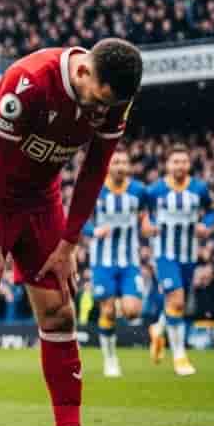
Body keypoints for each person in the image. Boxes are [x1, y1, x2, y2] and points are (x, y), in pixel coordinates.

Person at [0, 39, 143, 426]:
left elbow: (95, 168)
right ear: (84, 73)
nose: (99, 113)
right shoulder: (29, 81)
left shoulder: (116, 101)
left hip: (39, 199)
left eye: (108, 108)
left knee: (59, 314)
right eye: (97, 101)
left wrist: (70, 242)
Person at [142, 143, 214, 376]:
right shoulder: (155, 191)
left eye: (183, 161)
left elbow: (213, 210)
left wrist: (206, 225)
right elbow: (144, 215)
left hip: (188, 254)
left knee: (177, 303)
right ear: (167, 164)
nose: (180, 165)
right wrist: (146, 226)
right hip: (164, 255)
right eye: (175, 161)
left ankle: (158, 328)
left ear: (189, 164)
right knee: (176, 301)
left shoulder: (199, 189)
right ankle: (179, 356)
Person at [82, 149, 145, 378]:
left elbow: (149, 214)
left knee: (132, 312)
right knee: (107, 310)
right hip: (103, 262)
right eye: (115, 161)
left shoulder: (139, 191)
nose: (119, 166)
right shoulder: (95, 190)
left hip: (130, 262)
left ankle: (157, 327)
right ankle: (110, 359)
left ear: (129, 166)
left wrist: (147, 225)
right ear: (108, 165)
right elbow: (78, 221)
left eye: (123, 162)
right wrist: (94, 230)